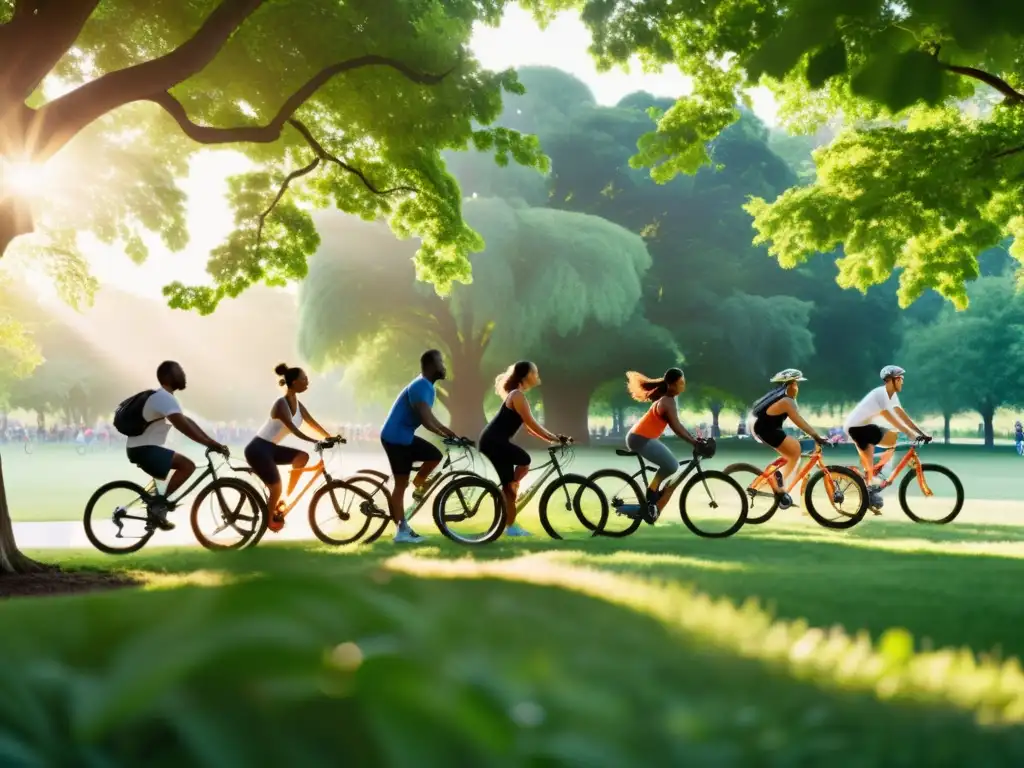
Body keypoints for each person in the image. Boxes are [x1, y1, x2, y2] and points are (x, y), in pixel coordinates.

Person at [122, 361, 229, 530]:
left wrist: (212, 441)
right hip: (144, 449)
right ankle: (159, 508)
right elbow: (183, 426)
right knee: (187, 466)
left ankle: (155, 512)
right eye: (179, 371)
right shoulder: (163, 398)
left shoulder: (165, 398)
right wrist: (210, 443)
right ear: (167, 377)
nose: (183, 375)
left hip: (143, 448)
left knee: (163, 482)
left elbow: (188, 422)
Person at [480, 361, 569, 538]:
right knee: (524, 460)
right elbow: (531, 423)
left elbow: (529, 429)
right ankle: (511, 524)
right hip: (494, 442)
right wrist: (554, 438)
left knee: (510, 486)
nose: (537, 375)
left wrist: (551, 439)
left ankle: (509, 506)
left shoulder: (517, 395)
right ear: (526, 375)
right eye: (535, 372)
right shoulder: (517, 395)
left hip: (495, 441)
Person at [380, 349, 460, 543]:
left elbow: (430, 417)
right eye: (441, 362)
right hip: (395, 438)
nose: (444, 366)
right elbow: (425, 420)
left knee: (434, 455)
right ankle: (401, 531)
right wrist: (444, 433)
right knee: (400, 485)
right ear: (431, 366)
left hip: (404, 437)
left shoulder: (426, 386)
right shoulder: (420, 386)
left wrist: (449, 433)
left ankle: (418, 484)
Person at [245, 364, 336, 533]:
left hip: (270, 448)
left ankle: (285, 497)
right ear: (294, 382)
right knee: (276, 487)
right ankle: (268, 519)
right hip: (258, 448)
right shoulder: (281, 404)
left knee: (302, 457)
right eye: (304, 379)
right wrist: (315, 441)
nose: (307, 381)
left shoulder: (298, 404)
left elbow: (311, 422)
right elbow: (294, 430)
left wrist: (329, 436)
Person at [625, 367, 705, 524]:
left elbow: (679, 426)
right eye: (681, 382)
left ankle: (652, 497)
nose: (683, 385)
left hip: (640, 437)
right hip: (640, 439)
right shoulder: (667, 402)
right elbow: (677, 428)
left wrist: (694, 439)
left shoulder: (668, 400)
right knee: (672, 465)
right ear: (672, 385)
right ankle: (652, 490)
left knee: (670, 465)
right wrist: (694, 442)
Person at [844, 365, 929, 509]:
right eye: (900, 379)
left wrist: (920, 432)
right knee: (896, 437)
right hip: (858, 429)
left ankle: (871, 488)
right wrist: (908, 433)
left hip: (864, 429)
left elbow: (902, 415)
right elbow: (888, 416)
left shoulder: (892, 395)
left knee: (893, 441)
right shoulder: (881, 393)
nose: (902, 382)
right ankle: (879, 477)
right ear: (891, 380)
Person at [749, 369, 829, 509]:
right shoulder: (787, 401)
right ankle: (779, 485)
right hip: (764, 429)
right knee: (795, 450)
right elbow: (799, 421)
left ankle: (774, 483)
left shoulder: (779, 398)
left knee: (790, 452)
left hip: (764, 426)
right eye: (795, 384)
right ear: (789, 386)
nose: (797, 388)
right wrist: (816, 436)